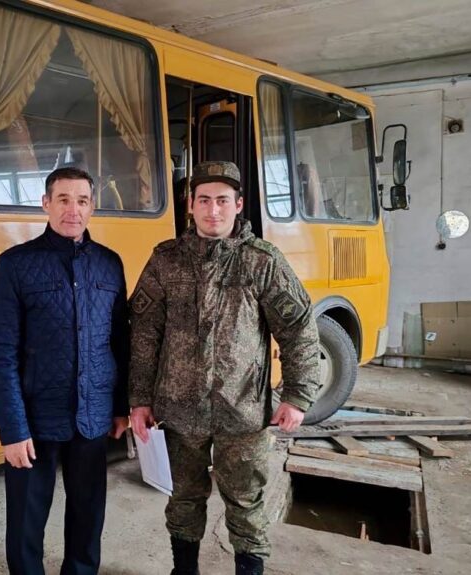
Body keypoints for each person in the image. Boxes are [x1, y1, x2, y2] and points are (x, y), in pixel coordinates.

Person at [129, 161, 320, 575]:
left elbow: (298, 328)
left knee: (246, 504)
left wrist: (297, 395)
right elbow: (144, 333)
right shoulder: (166, 260)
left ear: (238, 204)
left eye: (221, 200)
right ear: (190, 206)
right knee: (183, 498)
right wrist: (139, 399)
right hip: (179, 412)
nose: (212, 210)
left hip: (243, 412)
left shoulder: (262, 262)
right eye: (203, 200)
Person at [0, 166, 130, 575]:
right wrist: (13, 430)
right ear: (46, 204)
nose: (73, 210)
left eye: (82, 201)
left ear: (92, 207)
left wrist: (120, 407)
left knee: (88, 518)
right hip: (35, 420)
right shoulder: (15, 264)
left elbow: (120, 342)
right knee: (25, 524)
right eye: (63, 199)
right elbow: (2, 353)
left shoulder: (110, 264)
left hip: (92, 416)